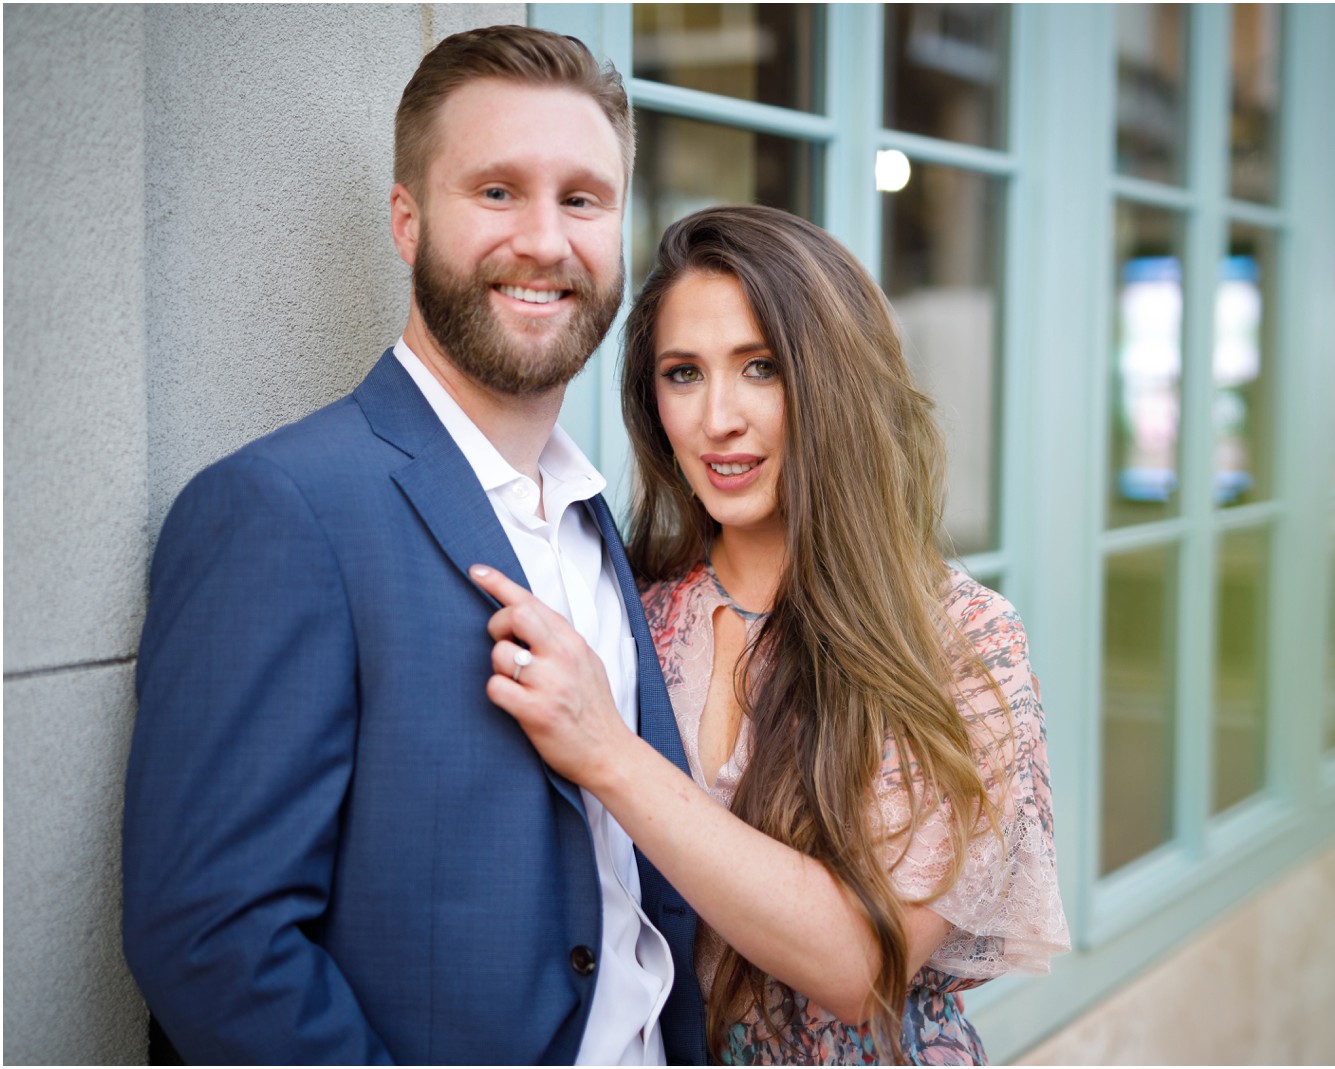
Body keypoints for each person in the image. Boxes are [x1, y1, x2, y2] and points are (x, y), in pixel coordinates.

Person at [121, 26, 705, 1065]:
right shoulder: (278, 508)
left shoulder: (592, 516)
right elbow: (211, 942)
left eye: (582, 199)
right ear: (405, 219)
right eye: (495, 192)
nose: (543, 239)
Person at [470, 205, 1069, 1065]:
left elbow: (863, 965)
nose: (719, 418)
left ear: (831, 381)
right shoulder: (629, 610)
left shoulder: (964, 643)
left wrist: (609, 750)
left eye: (761, 367)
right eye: (683, 373)